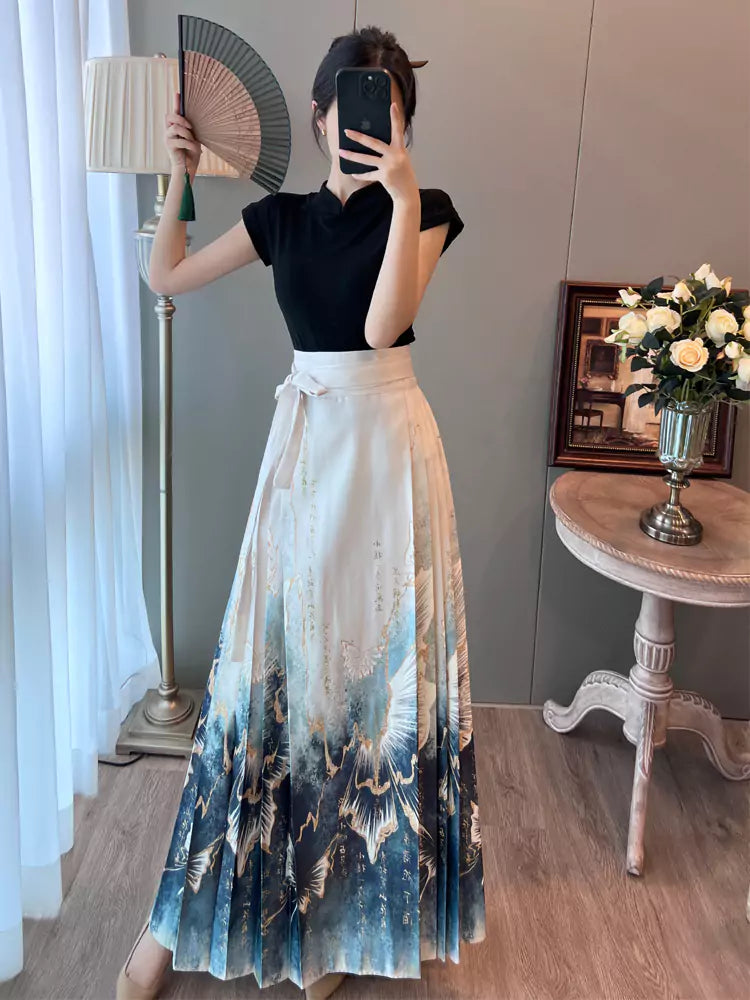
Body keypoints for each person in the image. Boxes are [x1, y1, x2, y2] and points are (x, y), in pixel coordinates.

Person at [116, 25, 486, 1000]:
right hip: (309, 454)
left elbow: (381, 326)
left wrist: (402, 194)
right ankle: (172, 919)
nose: (368, 125)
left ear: (403, 125)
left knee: (369, 699)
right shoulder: (279, 219)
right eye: (353, 106)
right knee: (265, 685)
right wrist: (179, 176)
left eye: (390, 111)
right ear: (321, 115)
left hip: (391, 456)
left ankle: (336, 925)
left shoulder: (430, 210)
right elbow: (164, 276)